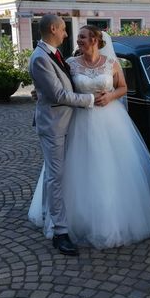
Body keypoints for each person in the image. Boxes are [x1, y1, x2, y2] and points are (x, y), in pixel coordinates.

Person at [29, 25, 150, 250]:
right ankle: (72, 221)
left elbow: (123, 87)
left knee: (110, 169)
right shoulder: (70, 64)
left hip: (110, 121)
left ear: (95, 40)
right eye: (78, 38)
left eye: (82, 37)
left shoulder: (111, 63)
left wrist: (111, 96)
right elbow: (59, 88)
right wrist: (40, 92)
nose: (77, 41)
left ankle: (113, 217)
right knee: (76, 169)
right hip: (78, 120)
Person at [29, 15, 98, 256]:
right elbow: (58, 95)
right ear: (53, 29)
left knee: (53, 174)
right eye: (63, 30)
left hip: (65, 122)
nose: (66, 34)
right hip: (54, 125)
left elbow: (60, 84)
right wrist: (90, 99)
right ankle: (60, 233)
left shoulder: (53, 54)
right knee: (56, 177)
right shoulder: (40, 58)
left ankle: (50, 215)